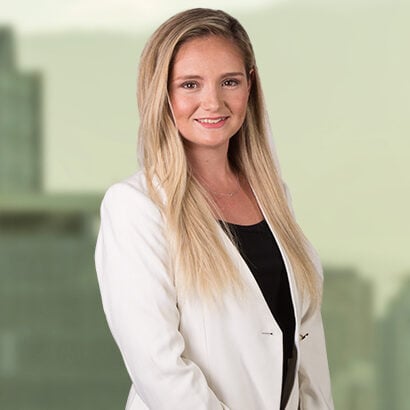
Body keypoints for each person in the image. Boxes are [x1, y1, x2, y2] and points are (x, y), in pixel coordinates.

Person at [94, 8, 334, 410]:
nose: (213, 102)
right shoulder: (135, 207)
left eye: (230, 82)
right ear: (161, 93)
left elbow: (306, 345)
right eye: (190, 84)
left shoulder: (274, 197)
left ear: (250, 86)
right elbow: (159, 367)